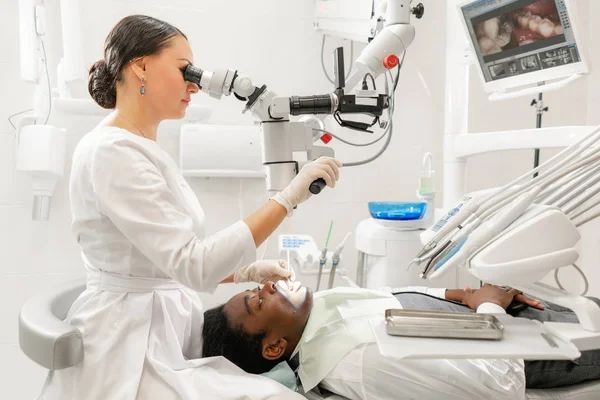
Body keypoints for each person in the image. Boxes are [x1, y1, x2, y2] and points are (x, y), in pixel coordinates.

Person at [39, 14, 341, 400]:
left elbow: (166, 260)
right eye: (185, 70)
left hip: (161, 336)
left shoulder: (140, 148)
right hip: (127, 351)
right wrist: (286, 200)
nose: (195, 84)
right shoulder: (112, 153)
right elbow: (193, 264)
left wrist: (244, 271)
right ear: (141, 66)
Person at [202, 282, 600, 400]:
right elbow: (497, 385)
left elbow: (390, 297)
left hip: (520, 315)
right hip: (543, 349)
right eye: (258, 300)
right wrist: (489, 310)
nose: (268, 285)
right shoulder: (358, 359)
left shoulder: (320, 311)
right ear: (274, 347)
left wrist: (458, 296)